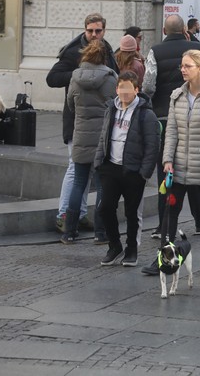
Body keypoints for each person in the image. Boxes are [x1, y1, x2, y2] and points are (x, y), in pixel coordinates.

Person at [142, 50, 200, 275]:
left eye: (187, 66)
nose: (182, 69)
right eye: (182, 65)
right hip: (179, 165)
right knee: (171, 210)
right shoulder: (176, 96)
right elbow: (171, 131)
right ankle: (164, 257)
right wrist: (168, 159)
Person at [47, 13, 118, 234]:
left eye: (98, 30)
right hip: (76, 119)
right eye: (90, 31)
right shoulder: (72, 50)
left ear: (104, 30)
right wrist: (80, 75)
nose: (94, 35)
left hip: (100, 121)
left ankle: (80, 215)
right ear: (84, 30)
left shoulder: (106, 48)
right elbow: (52, 78)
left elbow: (116, 75)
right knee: (75, 170)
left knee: (85, 173)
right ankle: (64, 216)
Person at [142, 14, 200, 240]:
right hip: (193, 117)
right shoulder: (196, 47)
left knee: (166, 171)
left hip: (163, 116)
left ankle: (162, 224)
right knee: (191, 171)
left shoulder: (154, 51)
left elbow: (148, 84)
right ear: (184, 29)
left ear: (164, 30)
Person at [94, 71, 159, 267]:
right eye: (121, 88)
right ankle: (115, 246)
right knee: (105, 208)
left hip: (133, 170)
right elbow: (104, 136)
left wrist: (144, 173)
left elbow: (152, 145)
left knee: (132, 213)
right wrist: (99, 162)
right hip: (110, 167)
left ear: (136, 90)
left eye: (128, 88)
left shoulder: (146, 114)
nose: (124, 92)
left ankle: (132, 249)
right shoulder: (110, 109)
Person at [61, 39, 118, 244]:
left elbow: (70, 105)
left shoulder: (75, 78)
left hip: (80, 136)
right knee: (102, 186)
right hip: (103, 139)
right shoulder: (111, 78)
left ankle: (69, 231)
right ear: (104, 57)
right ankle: (100, 233)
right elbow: (116, 106)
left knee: (78, 183)